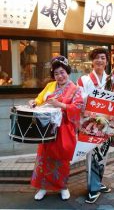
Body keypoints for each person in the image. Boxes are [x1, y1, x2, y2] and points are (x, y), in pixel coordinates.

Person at [29, 56, 84, 201]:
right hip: (47, 129)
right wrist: (34, 102)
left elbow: (77, 108)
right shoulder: (50, 86)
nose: (59, 76)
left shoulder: (75, 89)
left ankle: (63, 187)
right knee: (44, 158)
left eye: (62, 72)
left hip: (64, 129)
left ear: (67, 72)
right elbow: (40, 98)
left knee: (62, 159)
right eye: (56, 74)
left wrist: (59, 105)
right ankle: (42, 187)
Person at [77, 48, 112, 204]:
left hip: (107, 123)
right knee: (92, 155)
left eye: (103, 58)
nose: (100, 60)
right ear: (92, 61)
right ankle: (93, 188)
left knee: (103, 155)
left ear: (107, 61)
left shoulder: (111, 79)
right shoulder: (84, 80)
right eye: (97, 58)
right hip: (91, 123)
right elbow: (78, 98)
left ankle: (98, 182)